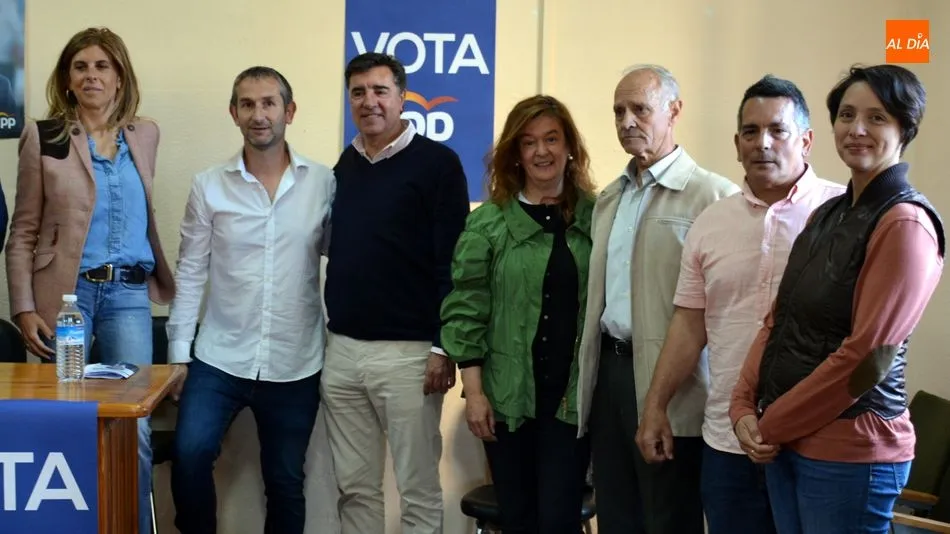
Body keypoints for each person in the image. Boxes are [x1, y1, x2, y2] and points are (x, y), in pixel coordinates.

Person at [730, 64, 945, 534]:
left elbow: (867, 359)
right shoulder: (827, 214)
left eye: (876, 117)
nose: (856, 129)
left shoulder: (905, 224)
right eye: (846, 115)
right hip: (787, 441)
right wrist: (742, 405)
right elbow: (778, 320)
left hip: (851, 453)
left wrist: (770, 423)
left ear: (905, 128)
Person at [634, 75, 845, 534]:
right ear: (736, 144)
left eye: (777, 130)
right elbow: (689, 325)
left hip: (818, 444)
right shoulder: (711, 223)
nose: (762, 143)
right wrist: (655, 406)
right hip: (728, 444)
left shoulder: (842, 215)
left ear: (806, 140)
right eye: (751, 131)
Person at [4, 27, 174, 534]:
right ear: (67, 79)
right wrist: (23, 307)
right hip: (65, 297)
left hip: (128, 295)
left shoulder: (145, 134)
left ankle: (131, 526)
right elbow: (24, 229)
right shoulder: (46, 135)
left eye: (102, 66)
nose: (91, 75)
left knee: (133, 424)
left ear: (120, 77)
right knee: (64, 418)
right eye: (80, 67)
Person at [165, 66, 334, 534]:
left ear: (289, 111)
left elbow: (346, 260)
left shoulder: (324, 183)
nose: (259, 115)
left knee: (285, 480)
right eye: (247, 104)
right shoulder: (208, 185)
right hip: (220, 357)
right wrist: (179, 354)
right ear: (234, 113)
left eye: (269, 103)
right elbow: (191, 270)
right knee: (190, 454)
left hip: (296, 361)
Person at [574, 64, 740, 534]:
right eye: (618, 111)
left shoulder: (713, 197)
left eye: (640, 109)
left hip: (675, 383)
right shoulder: (610, 198)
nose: (627, 121)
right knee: (616, 514)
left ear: (674, 111)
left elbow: (724, 311)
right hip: (609, 374)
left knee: (668, 517)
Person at [322, 51, 470, 534]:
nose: (369, 102)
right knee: (355, 488)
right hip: (343, 353)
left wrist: (442, 347)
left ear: (402, 97)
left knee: (417, 489)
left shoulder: (438, 164)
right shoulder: (345, 165)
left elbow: (454, 264)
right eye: (358, 92)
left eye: (380, 91)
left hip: (410, 356)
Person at [441, 95, 597, 533]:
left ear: (570, 147)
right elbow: (467, 310)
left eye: (552, 139)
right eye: (529, 142)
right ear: (515, 153)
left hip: (571, 402)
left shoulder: (597, 217)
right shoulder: (489, 223)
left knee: (559, 519)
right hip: (506, 402)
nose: (541, 151)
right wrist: (474, 394)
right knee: (519, 520)